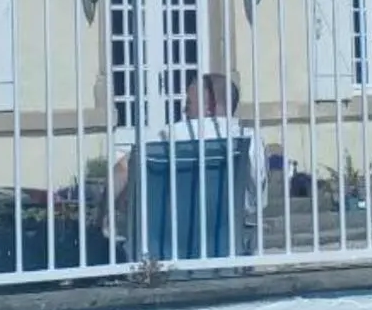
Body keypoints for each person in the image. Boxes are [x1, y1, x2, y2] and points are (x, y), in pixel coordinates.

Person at [109, 73, 260, 260]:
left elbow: (123, 170)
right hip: (225, 250)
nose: (183, 110)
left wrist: (103, 214)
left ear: (209, 106)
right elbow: (258, 200)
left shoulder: (171, 136)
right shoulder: (250, 141)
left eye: (188, 103)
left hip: (166, 251)